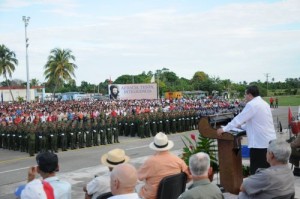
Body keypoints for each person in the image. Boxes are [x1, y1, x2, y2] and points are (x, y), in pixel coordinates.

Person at [217, 85, 276, 174]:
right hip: (268, 141)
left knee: (257, 171)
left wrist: (224, 129)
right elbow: (256, 122)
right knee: (266, 170)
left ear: (249, 94)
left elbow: (239, 119)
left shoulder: (252, 104)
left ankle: (258, 188)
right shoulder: (264, 103)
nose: (245, 97)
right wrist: (241, 127)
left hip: (259, 144)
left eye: (245, 95)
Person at [137, 132, 191, 199]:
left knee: (139, 188)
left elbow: (138, 177)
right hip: (174, 194)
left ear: (155, 146)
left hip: (153, 196)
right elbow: (189, 176)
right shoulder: (178, 160)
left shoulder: (150, 162)